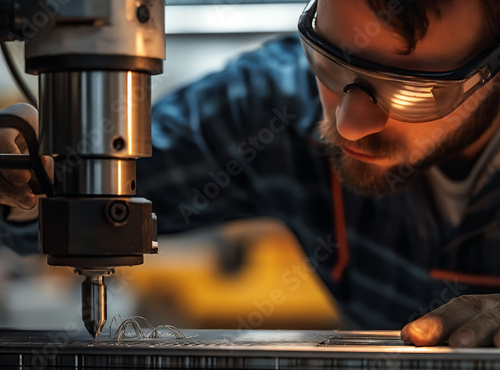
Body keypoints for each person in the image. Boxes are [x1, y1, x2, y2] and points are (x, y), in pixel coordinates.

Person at [1, 0, 500, 347]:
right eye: (330, 63)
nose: (348, 126)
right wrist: (32, 179)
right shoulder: (274, 106)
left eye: (413, 92)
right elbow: (84, 191)